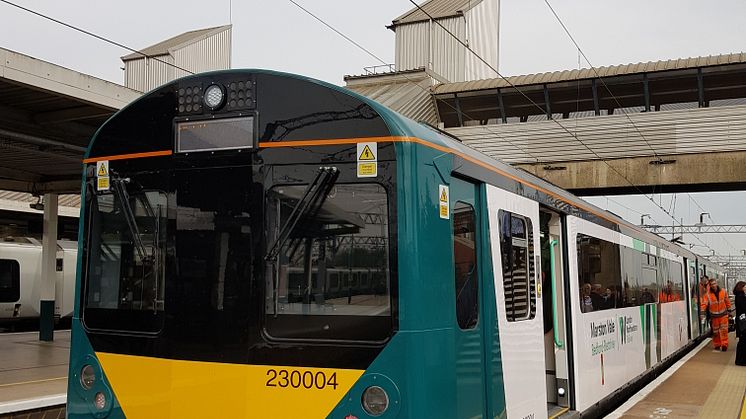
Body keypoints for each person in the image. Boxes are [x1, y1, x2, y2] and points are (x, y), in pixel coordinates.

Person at [700, 277, 732, 351]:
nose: (713, 285)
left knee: (724, 330)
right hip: (714, 316)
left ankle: (724, 345)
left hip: (723, 314)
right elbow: (704, 304)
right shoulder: (707, 295)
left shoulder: (723, 291)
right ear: (710, 285)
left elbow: (727, 301)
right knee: (715, 332)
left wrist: (729, 310)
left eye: (714, 283)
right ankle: (717, 344)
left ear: (716, 284)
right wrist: (702, 312)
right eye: (712, 284)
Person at [734, 281, 746, 366]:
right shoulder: (740, 297)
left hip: (742, 322)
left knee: (742, 341)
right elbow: (744, 308)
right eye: (745, 286)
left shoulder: (740, 296)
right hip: (743, 323)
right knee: (743, 341)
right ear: (741, 287)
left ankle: (740, 360)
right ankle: (741, 361)